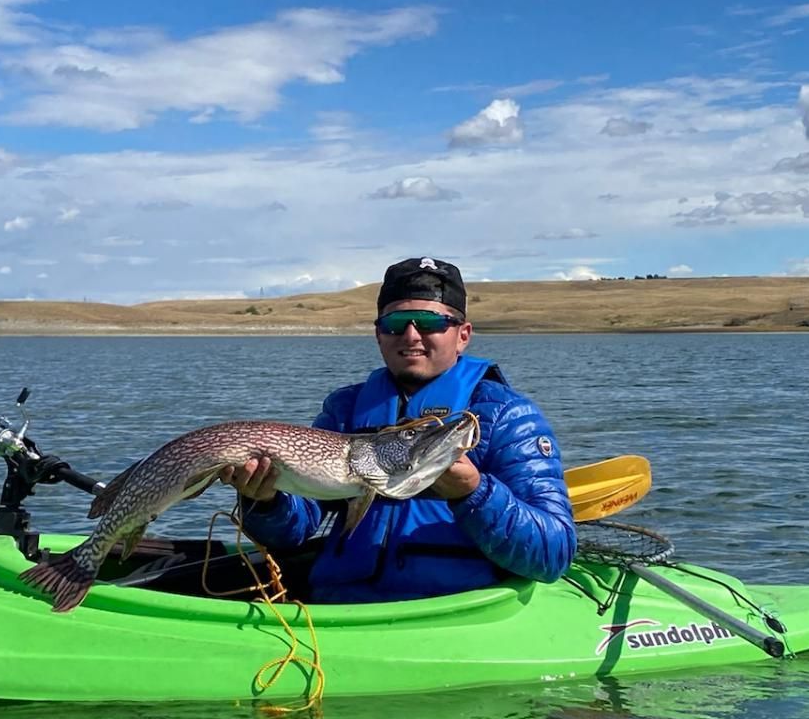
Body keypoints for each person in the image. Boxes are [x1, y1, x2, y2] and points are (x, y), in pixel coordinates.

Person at [224, 256, 575, 603]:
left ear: (463, 335)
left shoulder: (508, 415)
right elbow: (293, 532)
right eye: (396, 322)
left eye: (429, 322)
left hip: (456, 608)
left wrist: (475, 493)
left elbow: (553, 555)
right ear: (379, 334)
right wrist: (265, 502)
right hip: (341, 604)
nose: (411, 335)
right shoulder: (346, 409)